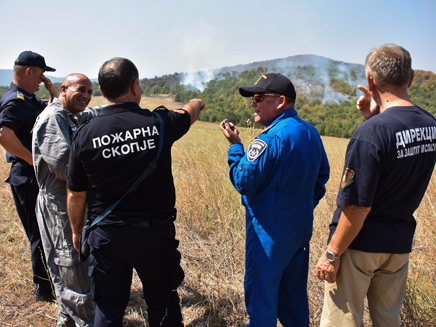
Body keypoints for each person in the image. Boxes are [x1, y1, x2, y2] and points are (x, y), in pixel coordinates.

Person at [66, 57, 205, 327]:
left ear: (102, 91)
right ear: (135, 86)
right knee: (163, 303)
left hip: (106, 237)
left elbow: (76, 194)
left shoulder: (84, 134)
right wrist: (198, 102)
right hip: (154, 235)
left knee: (107, 309)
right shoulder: (160, 123)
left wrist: (76, 231)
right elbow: (189, 112)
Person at [315, 44, 436, 326]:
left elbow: (357, 206)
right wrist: (376, 114)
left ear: (370, 80)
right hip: (398, 245)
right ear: (411, 78)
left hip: (360, 246)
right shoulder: (430, 125)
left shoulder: (370, 134)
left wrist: (332, 254)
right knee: (387, 320)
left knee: (342, 321)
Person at [220, 73, 330, 326]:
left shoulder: (268, 139)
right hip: (299, 228)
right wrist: (298, 207)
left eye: (258, 97)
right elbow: (321, 179)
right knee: (293, 300)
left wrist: (236, 146)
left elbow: (244, 182)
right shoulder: (310, 132)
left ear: (280, 101)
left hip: (268, 233)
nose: (253, 103)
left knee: (262, 301)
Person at [32, 73, 102, 326]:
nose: (85, 95)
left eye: (89, 91)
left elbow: (93, 113)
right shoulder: (54, 118)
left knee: (74, 266)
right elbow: (65, 169)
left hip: (70, 202)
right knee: (71, 265)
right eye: (80, 89)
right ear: (63, 89)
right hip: (59, 205)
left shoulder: (69, 115)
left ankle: (71, 320)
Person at [0, 50, 57, 301]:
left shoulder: (28, 98)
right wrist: (31, 160)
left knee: (47, 228)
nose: (41, 80)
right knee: (38, 231)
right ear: (28, 72)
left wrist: (51, 92)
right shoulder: (15, 100)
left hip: (33, 173)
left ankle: (49, 282)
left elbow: (50, 112)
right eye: (40, 75)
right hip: (26, 174)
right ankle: (44, 288)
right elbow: (3, 134)